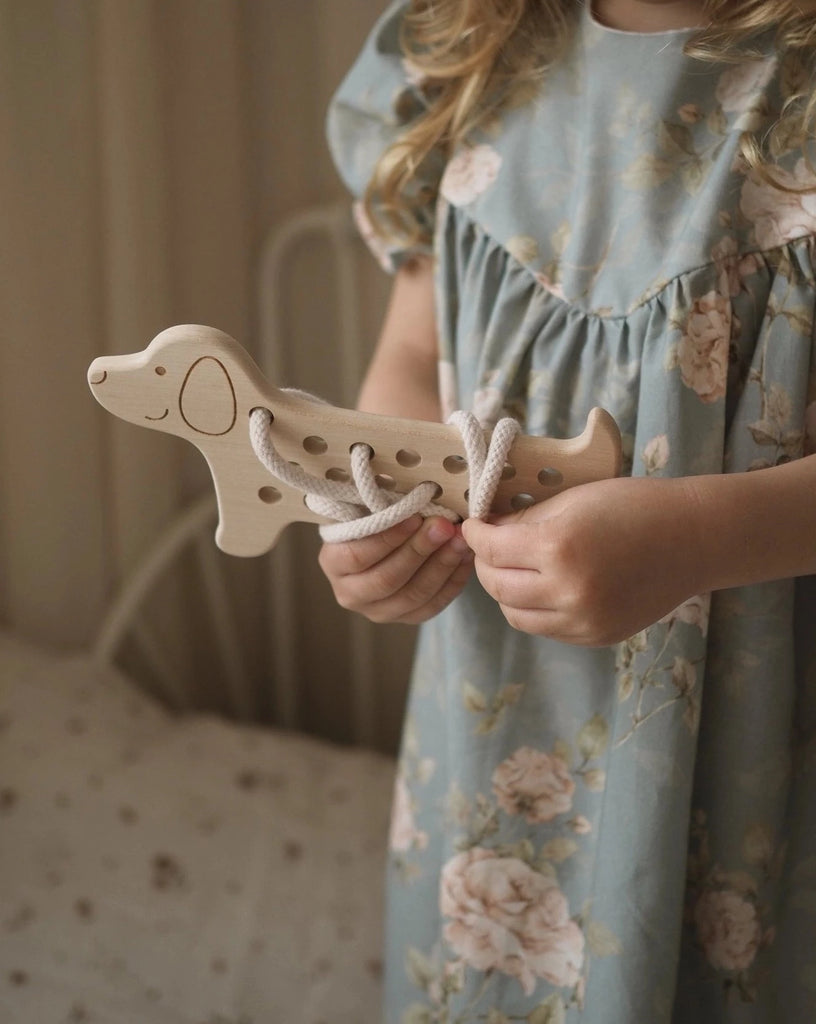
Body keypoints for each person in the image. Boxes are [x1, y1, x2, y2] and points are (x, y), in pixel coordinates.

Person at [321, 1, 816, 1020]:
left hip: (755, 762)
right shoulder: (465, 50)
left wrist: (700, 538)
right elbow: (411, 360)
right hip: (493, 750)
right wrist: (378, 519)